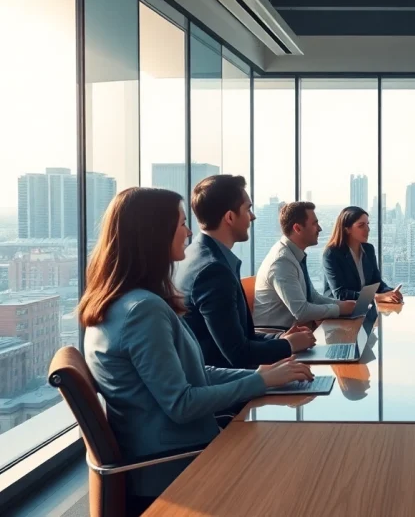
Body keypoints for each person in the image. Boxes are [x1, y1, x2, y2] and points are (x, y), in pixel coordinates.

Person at [80, 188, 312, 512]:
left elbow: (196, 373)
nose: (189, 232)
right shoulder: (142, 311)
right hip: (175, 465)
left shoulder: (125, 301)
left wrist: (262, 375)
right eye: (181, 222)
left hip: (173, 449)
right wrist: (260, 382)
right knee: (302, 465)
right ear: (154, 233)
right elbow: (182, 404)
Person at [174, 175, 315, 369]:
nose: (253, 216)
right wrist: (289, 344)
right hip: (228, 386)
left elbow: (239, 337)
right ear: (230, 217)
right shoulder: (213, 271)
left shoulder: (196, 255)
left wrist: (281, 337)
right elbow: (238, 354)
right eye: (247, 209)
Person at [254, 201, 357, 328]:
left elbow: (312, 297)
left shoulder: (294, 254)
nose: (320, 228)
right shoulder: (282, 261)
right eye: (315, 223)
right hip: (277, 336)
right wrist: (339, 310)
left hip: (297, 332)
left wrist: (341, 305)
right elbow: (301, 312)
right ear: (297, 228)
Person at [322, 206, 402, 304]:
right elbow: (340, 294)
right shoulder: (332, 254)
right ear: (347, 229)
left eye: (367, 224)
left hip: (363, 308)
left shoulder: (368, 249)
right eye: (361, 225)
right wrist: (378, 297)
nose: (367, 229)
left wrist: (390, 292)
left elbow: (376, 283)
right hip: (339, 311)